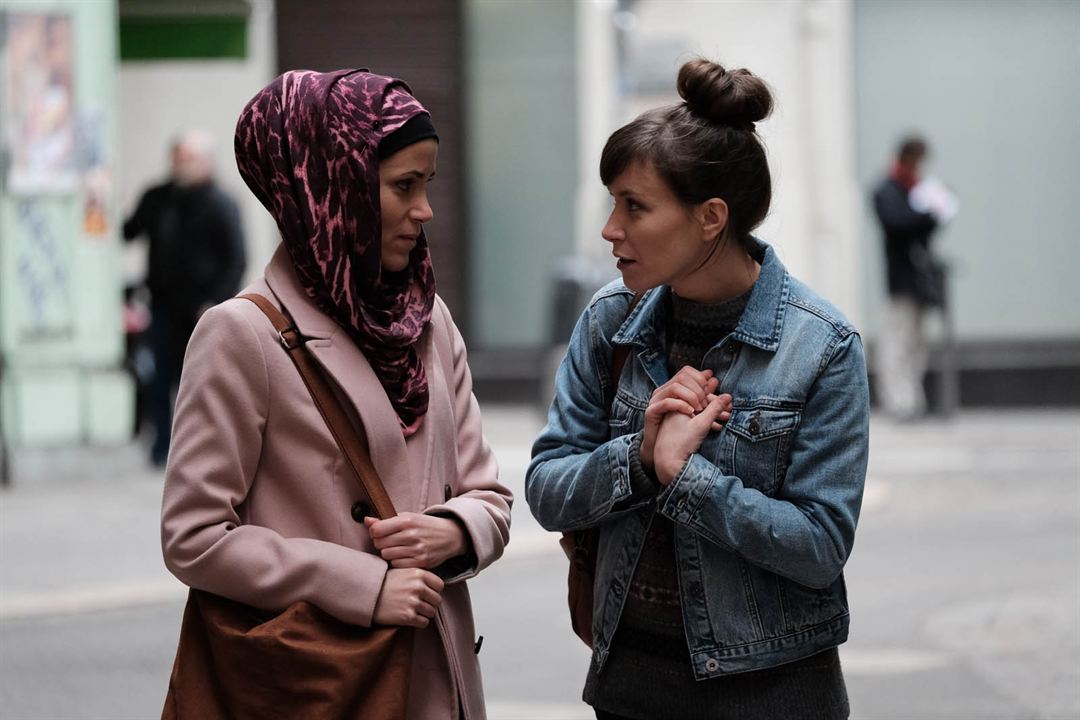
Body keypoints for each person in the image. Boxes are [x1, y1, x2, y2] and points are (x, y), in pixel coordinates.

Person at [160, 70, 512, 719]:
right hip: (322, 681)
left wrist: (450, 533)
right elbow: (194, 536)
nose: (424, 211)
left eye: (427, 183)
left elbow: (488, 495)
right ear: (333, 185)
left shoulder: (428, 320)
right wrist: (363, 583)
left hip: (436, 675)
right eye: (403, 186)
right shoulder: (242, 333)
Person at [526, 58, 869, 720]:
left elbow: (820, 547)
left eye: (634, 206)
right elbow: (546, 487)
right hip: (628, 689)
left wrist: (686, 479)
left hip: (774, 694)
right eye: (611, 201)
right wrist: (638, 457)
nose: (609, 229)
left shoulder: (821, 345)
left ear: (710, 217)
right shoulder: (609, 320)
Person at [123, 130, 246, 466]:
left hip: (201, 310)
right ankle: (161, 446)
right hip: (162, 304)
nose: (181, 165)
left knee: (199, 380)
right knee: (159, 377)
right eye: (177, 157)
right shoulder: (158, 197)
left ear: (206, 162)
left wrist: (218, 301)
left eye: (188, 158)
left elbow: (236, 258)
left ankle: (201, 449)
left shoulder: (221, 202)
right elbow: (128, 231)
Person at [871, 135, 940, 421]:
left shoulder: (915, 190)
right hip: (901, 279)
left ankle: (913, 399)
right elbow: (899, 224)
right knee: (897, 342)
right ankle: (898, 401)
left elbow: (922, 230)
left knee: (916, 342)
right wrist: (927, 213)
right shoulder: (887, 190)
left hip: (919, 279)